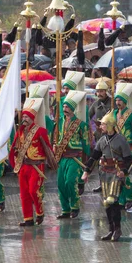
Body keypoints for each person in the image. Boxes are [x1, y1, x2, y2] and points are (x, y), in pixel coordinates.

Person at [82, 113, 132, 241]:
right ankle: (110, 230)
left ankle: (117, 229)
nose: (101, 126)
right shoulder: (102, 140)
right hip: (104, 173)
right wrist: (86, 171)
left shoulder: (121, 140)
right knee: (106, 204)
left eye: (103, 124)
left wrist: (124, 171)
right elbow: (94, 157)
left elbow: (129, 160)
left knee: (112, 201)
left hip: (116, 173)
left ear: (110, 125)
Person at [9, 98, 57, 226]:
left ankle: (40, 212)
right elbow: (14, 148)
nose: (24, 118)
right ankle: (28, 218)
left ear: (32, 118)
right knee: (24, 193)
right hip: (23, 166)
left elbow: (47, 147)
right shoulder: (19, 131)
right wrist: (15, 164)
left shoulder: (40, 131)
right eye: (23, 116)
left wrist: (51, 161)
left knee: (33, 191)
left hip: (36, 166)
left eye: (27, 116)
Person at [54, 91, 89, 219]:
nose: (64, 109)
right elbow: (55, 138)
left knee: (70, 182)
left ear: (73, 109)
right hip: (62, 157)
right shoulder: (59, 122)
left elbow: (86, 143)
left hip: (75, 158)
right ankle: (65, 209)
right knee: (61, 183)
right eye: (63, 106)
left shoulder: (80, 124)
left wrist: (88, 162)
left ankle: (75, 206)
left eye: (67, 107)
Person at [112, 83, 132, 208]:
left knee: (125, 174)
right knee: (117, 176)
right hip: (115, 149)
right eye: (116, 99)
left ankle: (130, 196)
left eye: (120, 100)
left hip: (128, 147)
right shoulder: (112, 113)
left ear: (125, 101)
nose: (118, 102)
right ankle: (121, 200)